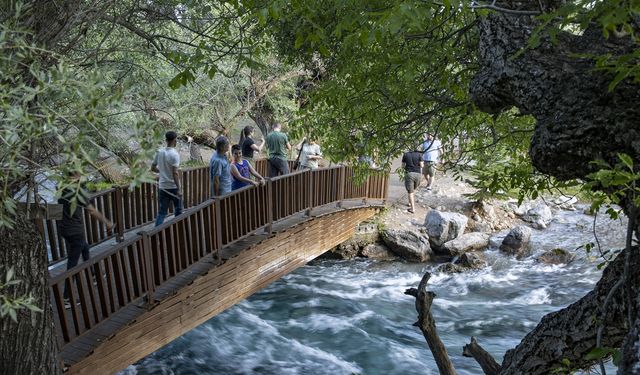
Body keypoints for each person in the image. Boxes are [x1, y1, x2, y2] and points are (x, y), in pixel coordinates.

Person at [59, 172, 114, 307]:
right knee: (73, 264)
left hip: (64, 228)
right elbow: (92, 211)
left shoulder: (61, 187)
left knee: (85, 247)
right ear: (77, 174)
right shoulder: (77, 192)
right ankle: (66, 298)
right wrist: (107, 222)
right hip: (75, 231)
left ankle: (94, 274)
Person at [151, 131, 183, 226]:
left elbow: (152, 168)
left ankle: (156, 233)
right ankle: (178, 228)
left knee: (162, 212)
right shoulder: (175, 154)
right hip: (173, 187)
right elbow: (175, 173)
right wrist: (179, 189)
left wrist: (162, 172)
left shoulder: (160, 152)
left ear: (166, 140)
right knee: (178, 209)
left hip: (162, 187)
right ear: (175, 140)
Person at [402, 148, 424, 214]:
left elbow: (402, 166)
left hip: (409, 174)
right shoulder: (420, 155)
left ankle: (413, 208)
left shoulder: (405, 154)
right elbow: (422, 166)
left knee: (410, 192)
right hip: (418, 175)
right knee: (412, 190)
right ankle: (409, 203)